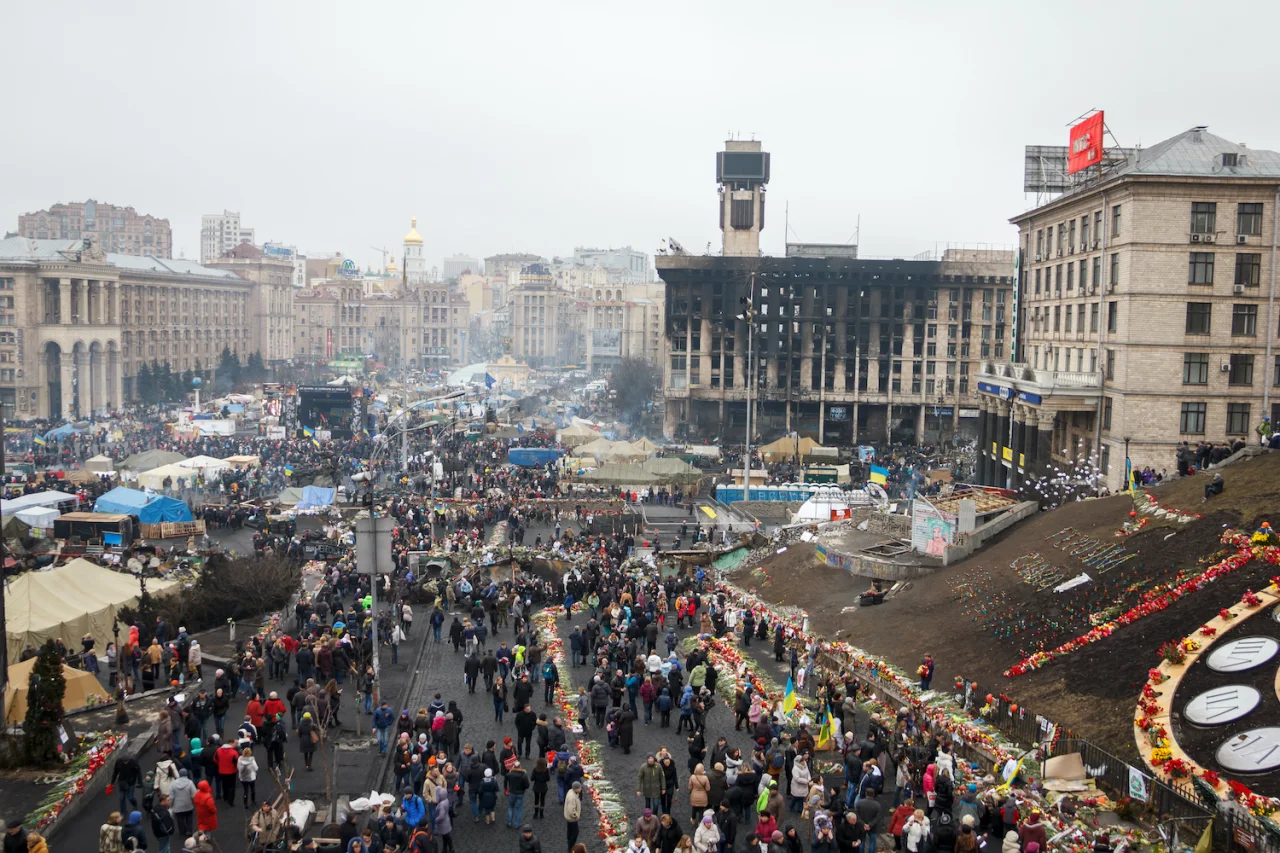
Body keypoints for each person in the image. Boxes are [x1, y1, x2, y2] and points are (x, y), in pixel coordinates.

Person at [564, 781, 582, 851]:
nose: (581, 789)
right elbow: (571, 810)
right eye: (580, 788)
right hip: (572, 819)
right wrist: (576, 815)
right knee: (575, 833)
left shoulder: (571, 792)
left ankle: (570, 846)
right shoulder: (572, 797)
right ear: (576, 788)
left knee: (570, 833)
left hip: (569, 818)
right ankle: (571, 848)